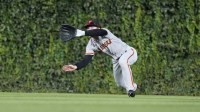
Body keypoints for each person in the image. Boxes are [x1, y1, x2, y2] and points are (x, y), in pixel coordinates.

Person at [62, 20, 138, 97]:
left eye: (92, 27)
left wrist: (82, 33)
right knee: (119, 82)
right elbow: (87, 59)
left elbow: (98, 32)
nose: (90, 28)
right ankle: (133, 86)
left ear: (98, 28)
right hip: (116, 60)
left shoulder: (105, 32)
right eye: (88, 27)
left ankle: (130, 89)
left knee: (123, 61)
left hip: (128, 52)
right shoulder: (91, 45)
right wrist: (76, 66)